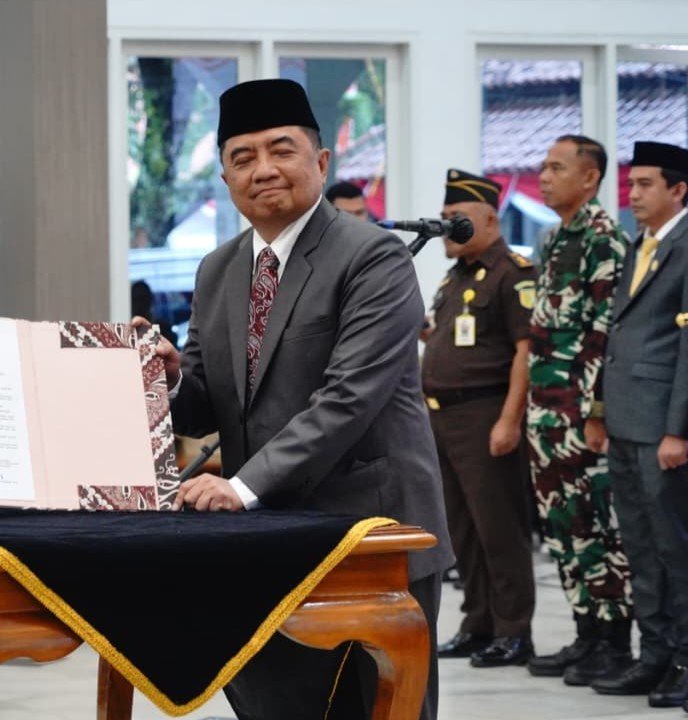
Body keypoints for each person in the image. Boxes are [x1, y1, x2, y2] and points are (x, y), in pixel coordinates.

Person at [145, 78, 453, 720]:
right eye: (242, 157)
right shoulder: (218, 269)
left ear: (321, 160)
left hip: (369, 529)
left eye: (281, 150)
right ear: (226, 179)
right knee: (277, 702)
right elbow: (208, 399)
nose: (262, 169)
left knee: (378, 706)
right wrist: (167, 380)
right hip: (267, 534)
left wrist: (240, 487)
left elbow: (349, 398)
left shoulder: (374, 257)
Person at [524, 135, 633, 685]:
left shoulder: (604, 239)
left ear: (589, 179)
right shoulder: (554, 238)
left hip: (578, 415)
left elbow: (604, 333)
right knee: (562, 528)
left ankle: (614, 641)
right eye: (543, 167)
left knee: (596, 526)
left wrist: (595, 412)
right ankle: (585, 633)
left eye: (557, 168)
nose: (544, 177)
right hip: (544, 413)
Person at [423, 170, 536, 667]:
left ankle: (513, 631)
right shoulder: (456, 277)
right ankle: (477, 623)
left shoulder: (513, 273)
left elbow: (525, 351)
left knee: (498, 527)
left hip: (485, 414)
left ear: (489, 219)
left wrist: (509, 420)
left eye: (457, 218)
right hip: (442, 418)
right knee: (461, 530)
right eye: (444, 218)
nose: (447, 228)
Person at [589, 141, 688, 707]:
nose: (633, 193)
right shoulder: (639, 244)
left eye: (646, 184)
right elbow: (620, 336)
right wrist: (601, 411)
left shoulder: (684, 246)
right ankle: (654, 655)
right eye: (631, 184)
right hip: (627, 420)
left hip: (662, 428)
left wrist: (679, 429)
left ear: (679, 189)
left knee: (675, 548)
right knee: (641, 546)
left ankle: (684, 659)